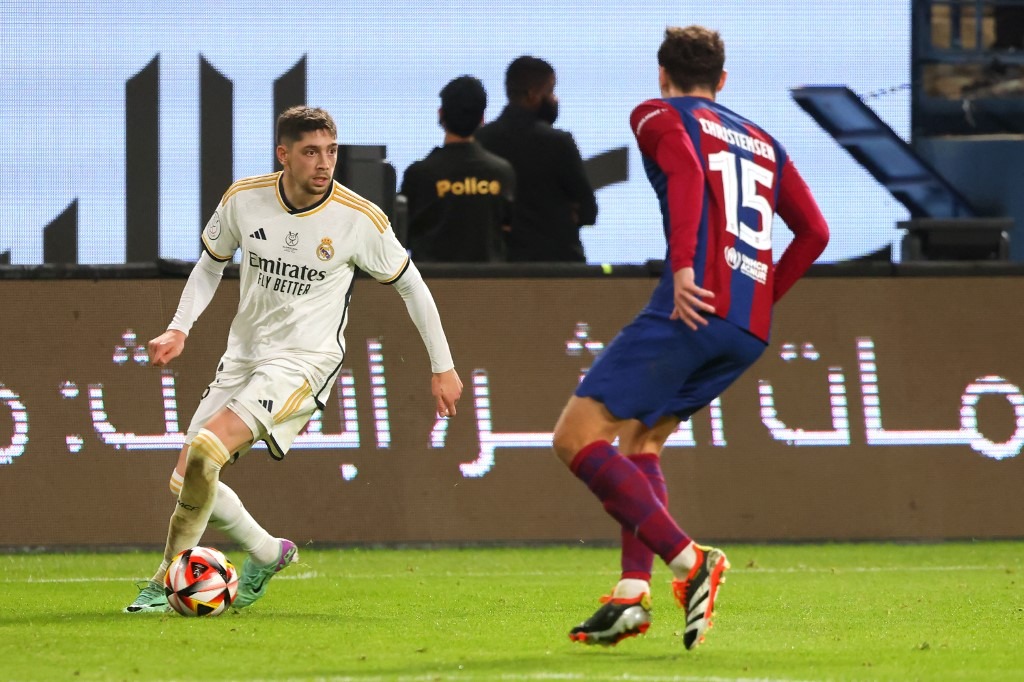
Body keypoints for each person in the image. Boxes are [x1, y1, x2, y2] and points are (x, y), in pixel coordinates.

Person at [125, 106, 463, 613]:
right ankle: (267, 552)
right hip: (244, 354)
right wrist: (180, 326)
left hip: (305, 361)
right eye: (310, 152)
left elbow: (412, 287)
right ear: (283, 154)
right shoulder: (244, 200)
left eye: (331, 150)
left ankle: (163, 582)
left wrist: (443, 366)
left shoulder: (359, 218)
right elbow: (210, 265)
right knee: (187, 476)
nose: (324, 162)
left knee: (207, 451)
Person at [554, 26, 829, 649]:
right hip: (746, 327)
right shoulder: (765, 141)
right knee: (641, 440)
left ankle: (691, 561)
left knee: (575, 438)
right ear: (722, 80)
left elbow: (683, 165)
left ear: (662, 75)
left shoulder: (656, 112)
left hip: (692, 305)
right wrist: (762, 297)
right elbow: (815, 232)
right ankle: (630, 595)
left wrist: (683, 267)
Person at [476, 56, 597, 262]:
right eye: (550, 91)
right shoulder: (559, 142)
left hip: (502, 266)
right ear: (532, 95)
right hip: (558, 265)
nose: (555, 99)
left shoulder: (481, 140)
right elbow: (588, 211)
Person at [400, 75, 516, 263]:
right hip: (490, 280)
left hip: (431, 280)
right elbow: (509, 232)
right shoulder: (502, 173)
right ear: (482, 118)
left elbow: (400, 237)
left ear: (441, 114)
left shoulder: (419, 175)